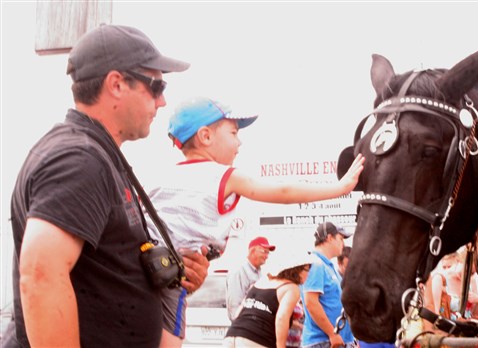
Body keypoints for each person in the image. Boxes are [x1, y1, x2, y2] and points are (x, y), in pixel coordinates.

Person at [9, 25, 209, 347]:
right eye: (156, 86)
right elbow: (41, 275)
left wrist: (171, 274)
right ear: (116, 84)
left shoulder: (96, 155)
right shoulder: (78, 159)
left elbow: (108, 271)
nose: (162, 101)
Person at [146, 97, 364, 346]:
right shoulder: (223, 175)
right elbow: (284, 193)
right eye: (233, 133)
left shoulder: (162, 175)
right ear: (205, 136)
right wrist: (340, 188)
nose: (239, 142)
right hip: (172, 281)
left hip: (148, 270)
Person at [224, 251, 315, 348]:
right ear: (297, 270)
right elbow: (281, 318)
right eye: (308, 269)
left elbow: (240, 311)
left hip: (232, 335)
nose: (309, 274)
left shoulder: (263, 281)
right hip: (257, 339)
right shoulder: (291, 288)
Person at [301, 222, 356, 348]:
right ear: (329, 238)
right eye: (341, 239)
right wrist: (332, 334)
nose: (343, 243)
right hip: (324, 341)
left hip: (335, 341)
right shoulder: (317, 263)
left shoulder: (326, 266)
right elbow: (311, 302)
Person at [226, 236, 276, 321]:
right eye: (264, 252)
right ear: (252, 251)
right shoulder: (239, 271)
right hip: (243, 325)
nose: (266, 256)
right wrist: (239, 325)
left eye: (268, 253)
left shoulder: (259, 273)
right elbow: (234, 304)